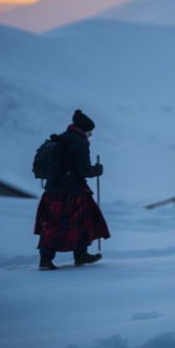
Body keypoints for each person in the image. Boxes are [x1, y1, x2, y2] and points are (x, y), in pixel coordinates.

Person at [34, 109, 110, 270]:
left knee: (52, 223)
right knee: (80, 222)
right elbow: (84, 171)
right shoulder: (80, 142)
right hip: (72, 193)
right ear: (84, 129)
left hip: (52, 191)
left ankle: (48, 259)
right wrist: (98, 170)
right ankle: (79, 255)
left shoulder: (63, 138)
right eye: (90, 131)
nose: (91, 135)